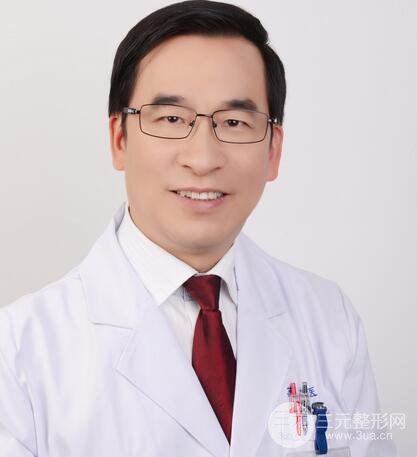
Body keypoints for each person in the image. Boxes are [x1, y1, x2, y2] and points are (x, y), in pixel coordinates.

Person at [0, 1, 397, 456]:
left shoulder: (329, 319)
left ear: (273, 151)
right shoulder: (18, 352)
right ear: (119, 139)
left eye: (234, 122)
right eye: (172, 119)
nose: (203, 158)